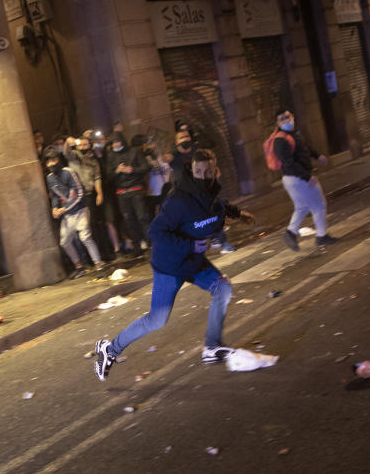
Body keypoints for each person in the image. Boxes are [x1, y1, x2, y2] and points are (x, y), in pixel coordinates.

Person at [93, 149, 256, 381]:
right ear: (193, 171)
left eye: (209, 170)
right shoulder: (179, 200)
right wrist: (191, 245)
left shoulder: (211, 194)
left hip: (194, 263)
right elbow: (155, 231)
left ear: (216, 170)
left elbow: (220, 206)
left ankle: (212, 347)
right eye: (200, 171)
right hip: (170, 264)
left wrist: (240, 214)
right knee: (157, 319)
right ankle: (109, 349)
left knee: (223, 289)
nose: (206, 175)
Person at [271, 109, 338, 251]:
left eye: (288, 117)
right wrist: (307, 176)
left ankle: (290, 233)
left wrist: (318, 156)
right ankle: (321, 236)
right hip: (297, 178)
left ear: (293, 116)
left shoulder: (293, 134)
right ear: (278, 123)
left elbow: (304, 148)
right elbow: (289, 163)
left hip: (295, 178)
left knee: (302, 207)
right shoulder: (280, 140)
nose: (287, 120)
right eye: (282, 119)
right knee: (319, 204)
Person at [44, 146, 105, 279]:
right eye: (48, 161)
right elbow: (54, 196)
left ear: (58, 160)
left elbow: (80, 193)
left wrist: (65, 208)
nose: (51, 164)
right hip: (67, 214)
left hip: (80, 210)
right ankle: (79, 266)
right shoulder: (50, 178)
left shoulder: (68, 172)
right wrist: (54, 208)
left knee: (85, 238)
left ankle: (99, 265)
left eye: (53, 160)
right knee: (64, 241)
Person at [63, 133, 113, 260]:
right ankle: (89, 258)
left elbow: (97, 178)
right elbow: (66, 151)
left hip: (90, 195)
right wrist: (68, 141)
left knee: (97, 224)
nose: (84, 147)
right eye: (82, 145)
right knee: (85, 228)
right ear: (78, 146)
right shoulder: (74, 156)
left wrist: (100, 193)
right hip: (77, 197)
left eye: (86, 144)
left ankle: (104, 253)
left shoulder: (93, 160)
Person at [105, 132, 151, 257]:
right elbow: (108, 176)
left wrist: (132, 170)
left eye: (118, 141)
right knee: (129, 220)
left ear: (122, 141)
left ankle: (150, 243)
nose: (116, 144)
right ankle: (137, 246)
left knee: (142, 217)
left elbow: (146, 167)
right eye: (113, 143)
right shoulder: (111, 156)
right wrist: (117, 171)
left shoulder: (134, 151)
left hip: (135, 189)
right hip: (121, 192)